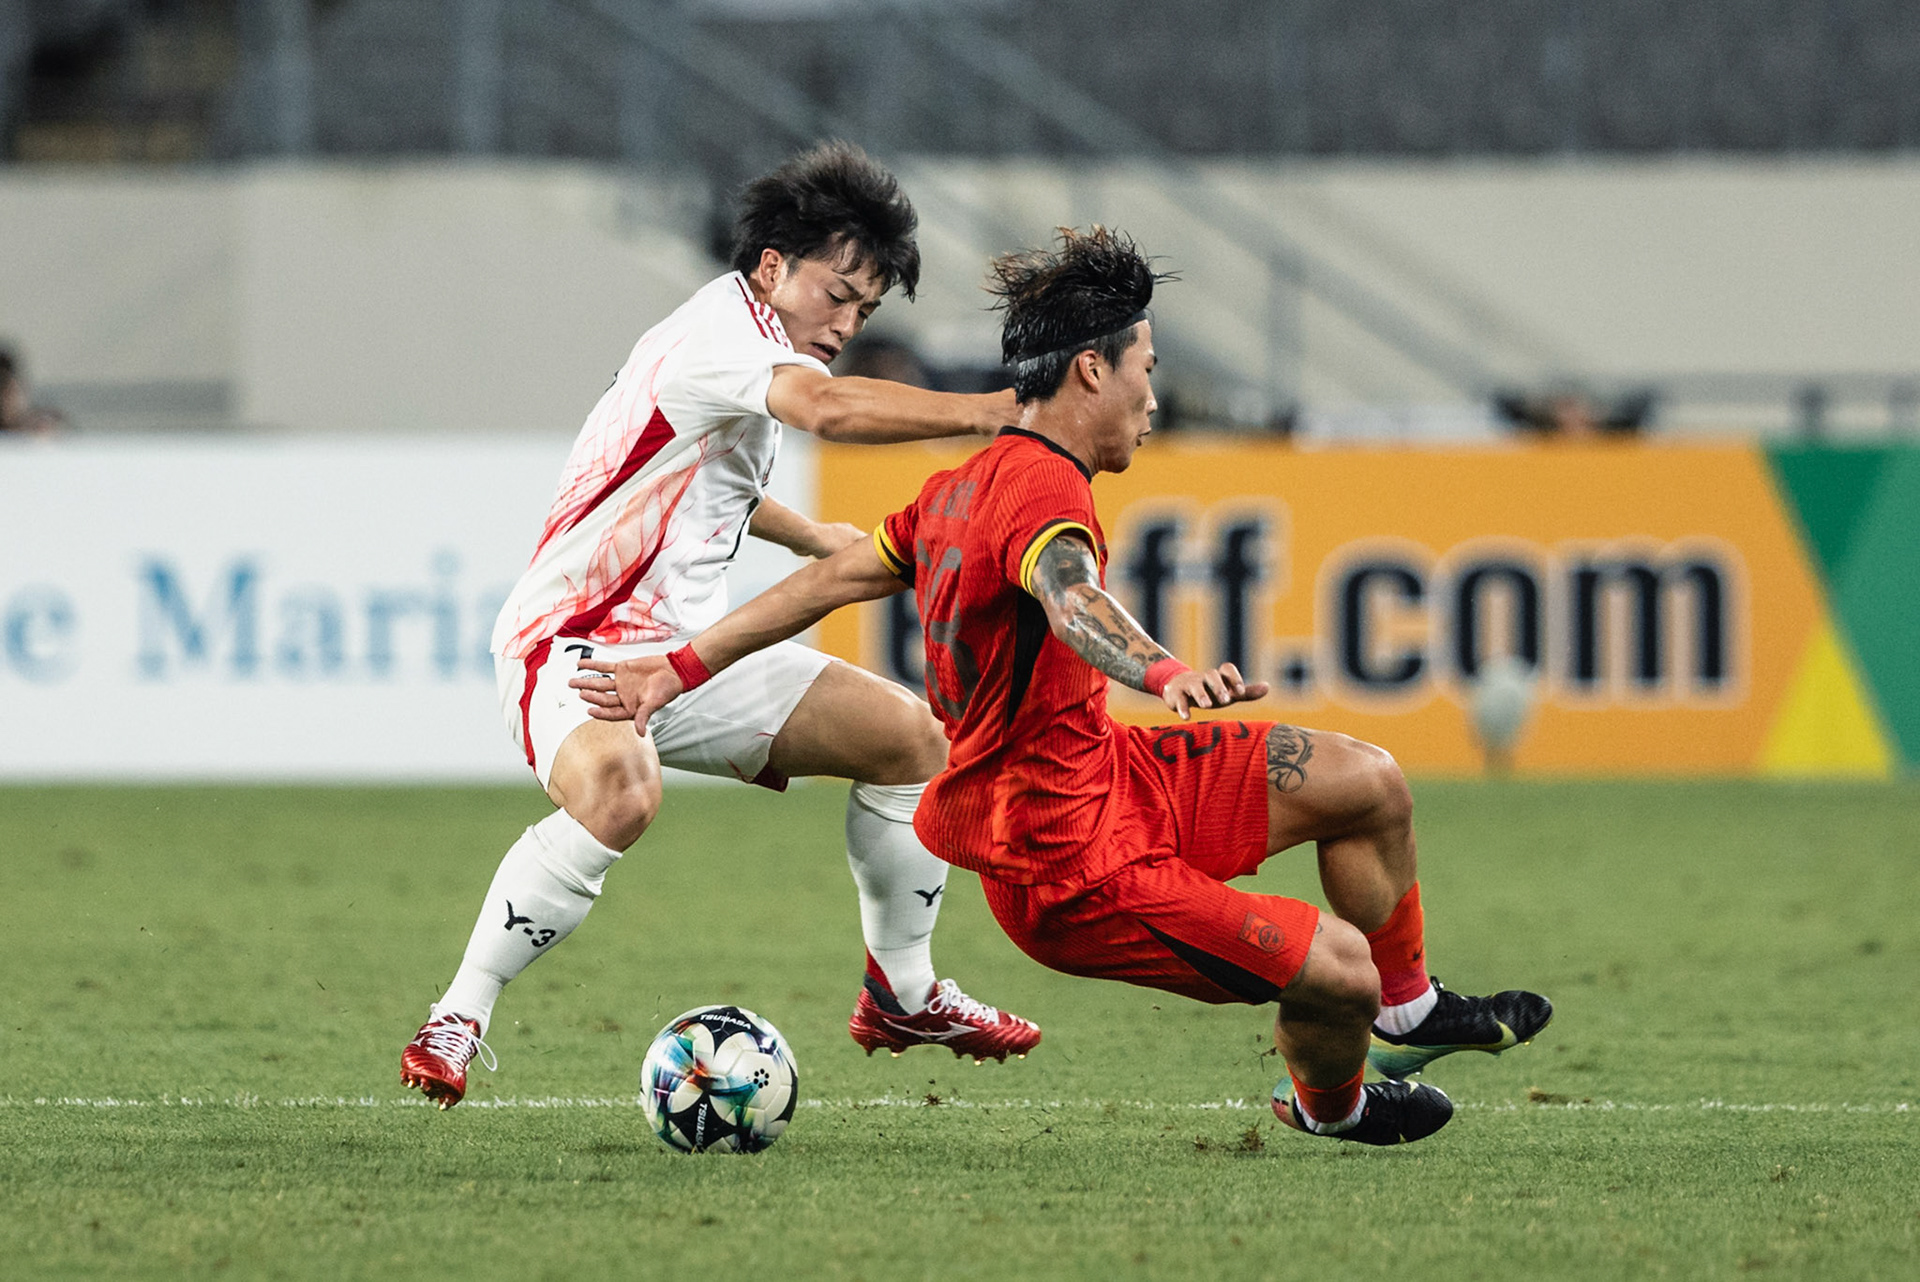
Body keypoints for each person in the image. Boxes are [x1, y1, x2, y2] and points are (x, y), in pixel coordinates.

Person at [573, 228, 1553, 1145]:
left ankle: (1411, 1008)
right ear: (1094, 368)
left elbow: (835, 576)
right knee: (1334, 967)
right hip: (1065, 858)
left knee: (1365, 779)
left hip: (1107, 773)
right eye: (1147, 373)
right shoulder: (1043, 490)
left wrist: (679, 666)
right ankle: (1330, 1106)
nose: (1153, 400)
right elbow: (1071, 596)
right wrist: (1162, 670)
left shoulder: (965, 483)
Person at [400, 142, 1041, 1110]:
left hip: (677, 655)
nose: (847, 320)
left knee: (912, 739)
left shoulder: (740, 339)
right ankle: (459, 1010)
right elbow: (822, 409)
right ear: (775, 267)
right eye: (839, 291)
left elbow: (690, 470)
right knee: (622, 788)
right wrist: (994, 410)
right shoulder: (724, 337)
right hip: (570, 640)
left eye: (866, 309)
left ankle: (904, 994)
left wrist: (801, 532)